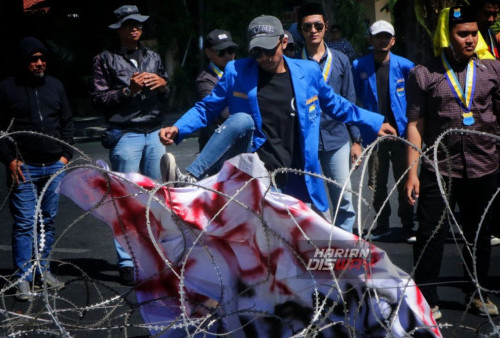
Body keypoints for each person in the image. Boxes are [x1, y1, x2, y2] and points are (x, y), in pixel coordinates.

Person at [159, 15, 395, 217]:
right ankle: (190, 177)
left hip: (298, 174)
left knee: (303, 248)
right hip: (259, 171)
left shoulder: (308, 72)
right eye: (256, 52)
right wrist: (178, 128)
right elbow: (207, 108)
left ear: (283, 42)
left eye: (269, 50)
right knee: (242, 119)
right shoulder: (237, 71)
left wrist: (374, 122)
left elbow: (337, 105)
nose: (263, 58)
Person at [405, 6, 500, 320]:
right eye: (463, 34)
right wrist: (412, 172)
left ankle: (477, 292)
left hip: (485, 164)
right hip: (440, 168)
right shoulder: (425, 74)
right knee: (431, 232)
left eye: (474, 33)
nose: (470, 39)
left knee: (480, 234)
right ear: (448, 35)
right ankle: (426, 297)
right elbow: (416, 124)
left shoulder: (492, 70)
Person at [90, 4, 169, 286]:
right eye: (129, 24)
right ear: (119, 29)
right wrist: (128, 90)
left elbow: (166, 94)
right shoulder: (105, 59)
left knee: (155, 199)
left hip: (154, 131)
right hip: (125, 134)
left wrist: (162, 84)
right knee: (124, 199)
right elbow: (99, 100)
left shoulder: (153, 56)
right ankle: (126, 260)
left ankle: (154, 256)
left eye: (138, 24)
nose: (135, 28)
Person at [0, 37, 74, 300]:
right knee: (24, 223)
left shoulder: (55, 86)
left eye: (42, 58)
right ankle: (22, 279)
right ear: (24, 61)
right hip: (24, 168)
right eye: (33, 59)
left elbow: (66, 123)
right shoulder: (7, 88)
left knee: (47, 222)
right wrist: (9, 159)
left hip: (54, 165)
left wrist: (65, 157)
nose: (39, 63)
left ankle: (43, 272)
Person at [296, 3, 361, 233]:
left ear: (325, 27)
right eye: (307, 27)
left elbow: (349, 100)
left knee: (343, 199)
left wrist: (356, 140)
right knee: (310, 201)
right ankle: (317, 248)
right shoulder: (293, 62)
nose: (313, 30)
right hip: (306, 141)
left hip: (337, 139)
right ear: (300, 30)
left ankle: (345, 247)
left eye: (318, 25)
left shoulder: (342, 60)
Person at [352, 20, 416, 243]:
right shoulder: (359, 65)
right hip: (374, 134)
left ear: (393, 40)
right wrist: (358, 135)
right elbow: (355, 99)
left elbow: (416, 97)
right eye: (378, 36)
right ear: (370, 39)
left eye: (387, 36)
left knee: (404, 179)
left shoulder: (406, 66)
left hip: (400, 134)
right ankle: (383, 224)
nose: (383, 40)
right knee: (377, 183)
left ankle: (408, 225)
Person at [196, 29, 238, 151]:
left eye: (230, 50)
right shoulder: (204, 80)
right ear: (208, 53)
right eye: (221, 52)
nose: (227, 56)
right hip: (214, 146)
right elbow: (223, 113)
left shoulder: (240, 73)